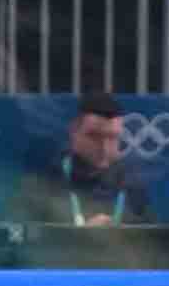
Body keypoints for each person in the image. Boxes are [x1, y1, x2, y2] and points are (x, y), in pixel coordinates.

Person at [15, 93, 154, 231]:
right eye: (94, 136)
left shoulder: (132, 187)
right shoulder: (43, 184)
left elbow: (153, 240)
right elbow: (18, 238)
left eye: (112, 137)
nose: (104, 148)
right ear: (74, 132)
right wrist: (81, 237)